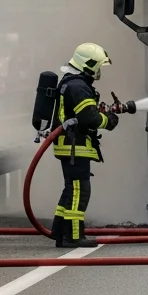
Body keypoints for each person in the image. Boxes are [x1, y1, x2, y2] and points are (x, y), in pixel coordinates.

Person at [51, 43, 119, 249]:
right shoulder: (78, 86)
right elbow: (90, 118)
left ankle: (59, 232)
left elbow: (83, 113)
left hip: (69, 144)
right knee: (80, 191)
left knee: (71, 189)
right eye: (98, 66)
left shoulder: (71, 83)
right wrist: (109, 120)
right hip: (75, 145)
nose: (99, 71)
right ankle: (73, 236)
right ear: (88, 65)